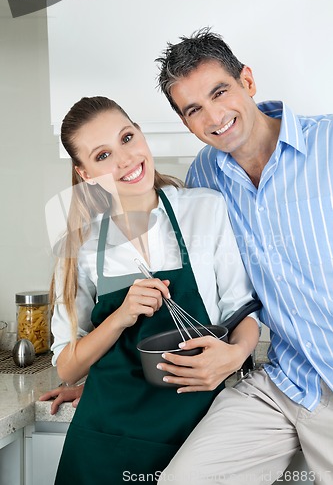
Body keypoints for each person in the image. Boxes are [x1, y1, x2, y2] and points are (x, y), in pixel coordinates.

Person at [47, 95, 260, 484]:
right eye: (103, 155)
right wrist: (119, 318)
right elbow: (67, 365)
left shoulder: (205, 210)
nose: (125, 160)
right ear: (83, 173)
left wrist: (234, 357)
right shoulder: (81, 244)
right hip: (105, 438)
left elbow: (243, 313)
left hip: (197, 430)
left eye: (127, 138)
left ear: (141, 134)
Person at [153, 28, 333, 484]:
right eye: (194, 109)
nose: (214, 117)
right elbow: (217, 287)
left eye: (220, 92)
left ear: (247, 81)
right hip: (286, 383)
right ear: (185, 121)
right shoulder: (205, 174)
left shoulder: (328, 145)